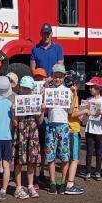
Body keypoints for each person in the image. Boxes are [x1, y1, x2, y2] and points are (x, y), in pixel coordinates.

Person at [12, 76, 43, 199]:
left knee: (32, 160)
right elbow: (15, 123)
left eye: (28, 89)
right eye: (24, 88)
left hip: (33, 131)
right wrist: (14, 112)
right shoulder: (16, 100)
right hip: (20, 132)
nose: (26, 91)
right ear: (20, 88)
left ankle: (30, 186)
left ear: (32, 90)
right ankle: (18, 187)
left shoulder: (35, 100)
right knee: (19, 160)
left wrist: (41, 110)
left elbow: (39, 121)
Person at [43, 63, 71, 195]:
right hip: (50, 125)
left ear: (64, 76)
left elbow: (70, 111)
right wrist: (43, 97)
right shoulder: (48, 90)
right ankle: (53, 182)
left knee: (65, 156)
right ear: (52, 76)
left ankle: (63, 181)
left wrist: (73, 97)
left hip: (63, 125)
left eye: (60, 76)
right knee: (50, 155)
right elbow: (44, 107)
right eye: (55, 76)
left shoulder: (68, 91)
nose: (58, 79)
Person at [81, 76, 102, 181]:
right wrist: (85, 113)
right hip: (89, 128)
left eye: (93, 87)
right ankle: (87, 172)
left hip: (99, 129)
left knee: (99, 151)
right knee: (89, 151)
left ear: (98, 88)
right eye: (90, 87)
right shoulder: (88, 100)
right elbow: (84, 113)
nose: (90, 89)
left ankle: (98, 171)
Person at [63, 70, 84, 195]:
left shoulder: (66, 92)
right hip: (73, 129)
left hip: (68, 128)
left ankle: (68, 181)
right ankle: (70, 183)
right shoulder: (72, 93)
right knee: (74, 158)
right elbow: (72, 113)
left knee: (69, 157)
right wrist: (85, 111)